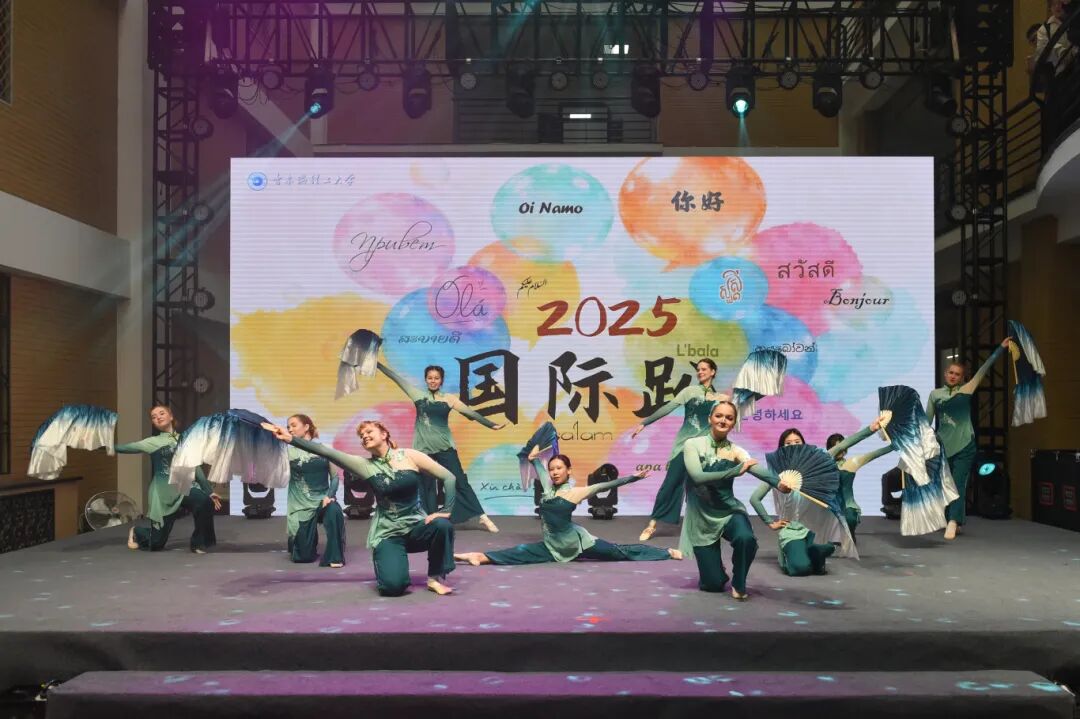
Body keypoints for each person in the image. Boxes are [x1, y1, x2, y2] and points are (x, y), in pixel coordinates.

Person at [264, 419, 457, 596]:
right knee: (393, 588)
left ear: (384, 434)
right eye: (361, 435)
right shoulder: (364, 465)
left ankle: (434, 578)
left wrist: (445, 510)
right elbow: (326, 452)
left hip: (416, 528)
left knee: (442, 525)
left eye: (369, 431)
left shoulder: (409, 456)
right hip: (389, 534)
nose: (364, 436)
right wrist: (290, 439)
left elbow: (449, 478)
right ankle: (390, 562)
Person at [454, 450, 680, 567]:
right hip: (552, 546)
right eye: (552, 468)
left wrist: (633, 477)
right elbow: (537, 466)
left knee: (620, 553)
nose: (554, 472)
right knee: (520, 552)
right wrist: (533, 459)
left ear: (568, 471)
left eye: (559, 468)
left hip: (579, 544)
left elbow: (606, 485)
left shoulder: (575, 493)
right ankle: (480, 557)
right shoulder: (547, 489)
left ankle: (666, 552)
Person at [680, 401, 793, 600]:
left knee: (746, 539)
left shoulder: (736, 450)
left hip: (729, 511)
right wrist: (734, 471)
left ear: (733, 423)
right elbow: (697, 477)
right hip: (701, 518)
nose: (723, 420)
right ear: (710, 418)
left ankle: (739, 582)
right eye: (719, 416)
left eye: (729, 418)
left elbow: (754, 467)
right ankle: (717, 572)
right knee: (713, 585)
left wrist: (778, 483)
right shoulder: (692, 445)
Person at [378, 362, 503, 532]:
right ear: (425, 380)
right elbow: (395, 377)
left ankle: (482, 517)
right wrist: (377, 364)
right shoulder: (417, 394)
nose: (433, 381)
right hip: (423, 451)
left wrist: (491, 424)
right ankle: (429, 520)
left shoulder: (449, 399)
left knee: (459, 481)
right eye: (430, 378)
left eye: (436, 378)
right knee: (426, 486)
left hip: (445, 448)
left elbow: (470, 413)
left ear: (441, 380)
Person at [925, 338, 1011, 540]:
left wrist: (1000, 348)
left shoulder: (967, 389)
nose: (953, 376)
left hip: (965, 445)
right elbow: (926, 420)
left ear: (962, 378)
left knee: (958, 483)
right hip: (943, 445)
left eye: (957, 374)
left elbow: (984, 368)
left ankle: (953, 521)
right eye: (951, 372)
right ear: (945, 373)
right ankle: (953, 518)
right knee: (945, 484)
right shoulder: (935, 395)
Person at [634, 359, 727, 541]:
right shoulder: (689, 391)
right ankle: (652, 525)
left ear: (713, 372)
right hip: (685, 446)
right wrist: (645, 422)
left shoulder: (721, 398)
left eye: (704, 369)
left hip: (705, 448)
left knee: (704, 488)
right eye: (698, 369)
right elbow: (668, 407)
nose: (700, 372)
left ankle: (707, 526)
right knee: (670, 484)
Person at [118, 405, 220, 553]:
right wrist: (100, 444)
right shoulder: (152, 442)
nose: (158, 417)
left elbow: (195, 467)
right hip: (163, 492)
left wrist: (209, 491)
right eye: (154, 417)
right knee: (156, 543)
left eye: (161, 413)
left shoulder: (185, 440)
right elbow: (125, 447)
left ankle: (198, 543)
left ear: (171, 416)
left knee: (204, 501)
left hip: (183, 487)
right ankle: (137, 531)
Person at [283, 414, 345, 568]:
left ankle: (335, 557)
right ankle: (304, 541)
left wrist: (330, 496)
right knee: (302, 557)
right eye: (288, 427)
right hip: (300, 506)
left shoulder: (325, 449)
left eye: (293, 425)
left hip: (322, 501)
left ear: (306, 427)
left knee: (334, 510)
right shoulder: (287, 453)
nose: (290, 429)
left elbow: (335, 477)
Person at [826, 424, 895, 542]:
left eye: (844, 446)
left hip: (848, 506)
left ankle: (849, 533)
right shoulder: (823, 463)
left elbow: (875, 454)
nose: (841, 450)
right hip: (829, 507)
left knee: (850, 518)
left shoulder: (852, 462)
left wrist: (894, 446)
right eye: (837, 447)